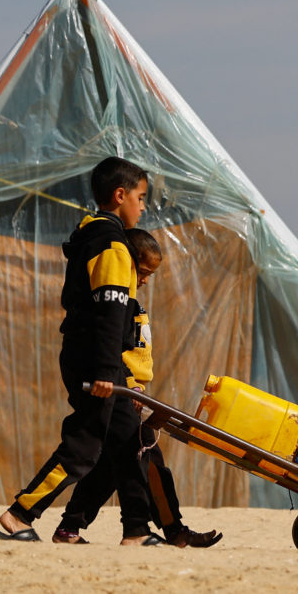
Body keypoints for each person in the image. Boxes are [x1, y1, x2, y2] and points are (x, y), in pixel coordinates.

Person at [0, 156, 161, 546]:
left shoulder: (92, 234)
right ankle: (19, 514)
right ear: (120, 196)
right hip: (96, 359)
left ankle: (137, 530)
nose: (143, 206)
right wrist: (105, 369)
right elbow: (110, 311)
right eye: (140, 197)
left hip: (96, 356)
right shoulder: (113, 245)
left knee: (129, 441)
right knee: (84, 445)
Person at [52, 228, 223, 548]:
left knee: (115, 465)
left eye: (149, 275)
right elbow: (112, 352)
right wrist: (128, 388)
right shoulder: (117, 308)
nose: (144, 280)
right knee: (143, 457)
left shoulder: (132, 306)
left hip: (131, 391)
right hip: (122, 391)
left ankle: (72, 526)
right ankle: (166, 530)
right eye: (142, 272)